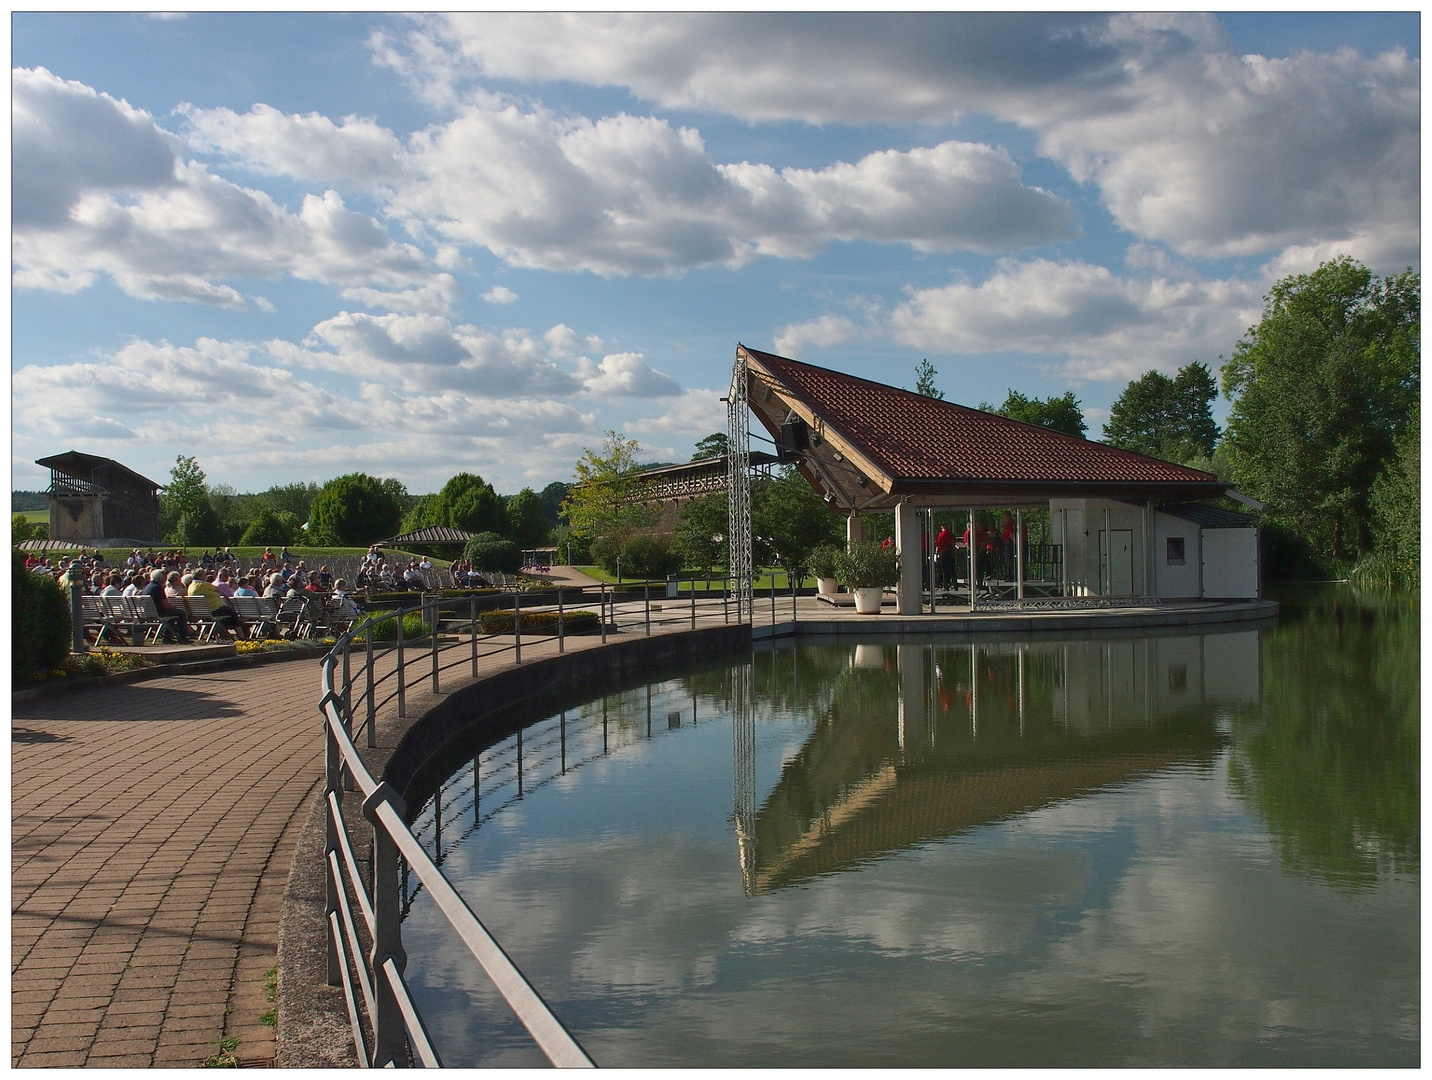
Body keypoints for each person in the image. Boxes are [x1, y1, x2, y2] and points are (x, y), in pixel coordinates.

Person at [141, 569, 190, 642]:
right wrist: (173, 607)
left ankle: (168, 637)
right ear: (159, 578)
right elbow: (165, 605)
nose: (165, 579)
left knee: (173, 615)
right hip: (159, 613)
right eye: (164, 577)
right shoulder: (158, 588)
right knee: (181, 613)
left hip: (149, 612)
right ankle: (183, 635)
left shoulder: (148, 587)